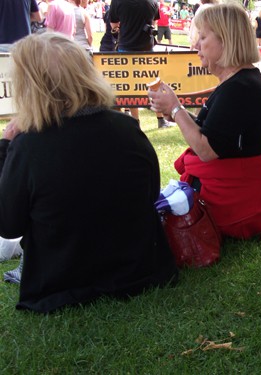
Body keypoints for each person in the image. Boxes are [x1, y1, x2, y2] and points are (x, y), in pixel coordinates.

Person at [0, 33, 178, 313]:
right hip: (140, 270)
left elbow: (8, 224)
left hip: (62, 283)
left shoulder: (28, 146)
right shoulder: (127, 128)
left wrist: (5, 145)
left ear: (32, 85)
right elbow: (150, 193)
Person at [148, 3, 261, 240]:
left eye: (202, 37)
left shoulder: (239, 87)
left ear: (226, 40)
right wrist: (176, 112)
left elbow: (206, 149)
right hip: (236, 188)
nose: (196, 45)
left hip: (229, 200)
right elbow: (216, 132)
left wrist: (176, 108)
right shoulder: (241, 80)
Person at [109, 0, 169, 128]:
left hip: (126, 46)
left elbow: (113, 25)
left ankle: (136, 121)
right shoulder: (152, 2)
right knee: (154, 83)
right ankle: (160, 119)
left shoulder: (117, 2)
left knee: (130, 85)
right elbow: (153, 24)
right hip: (147, 47)